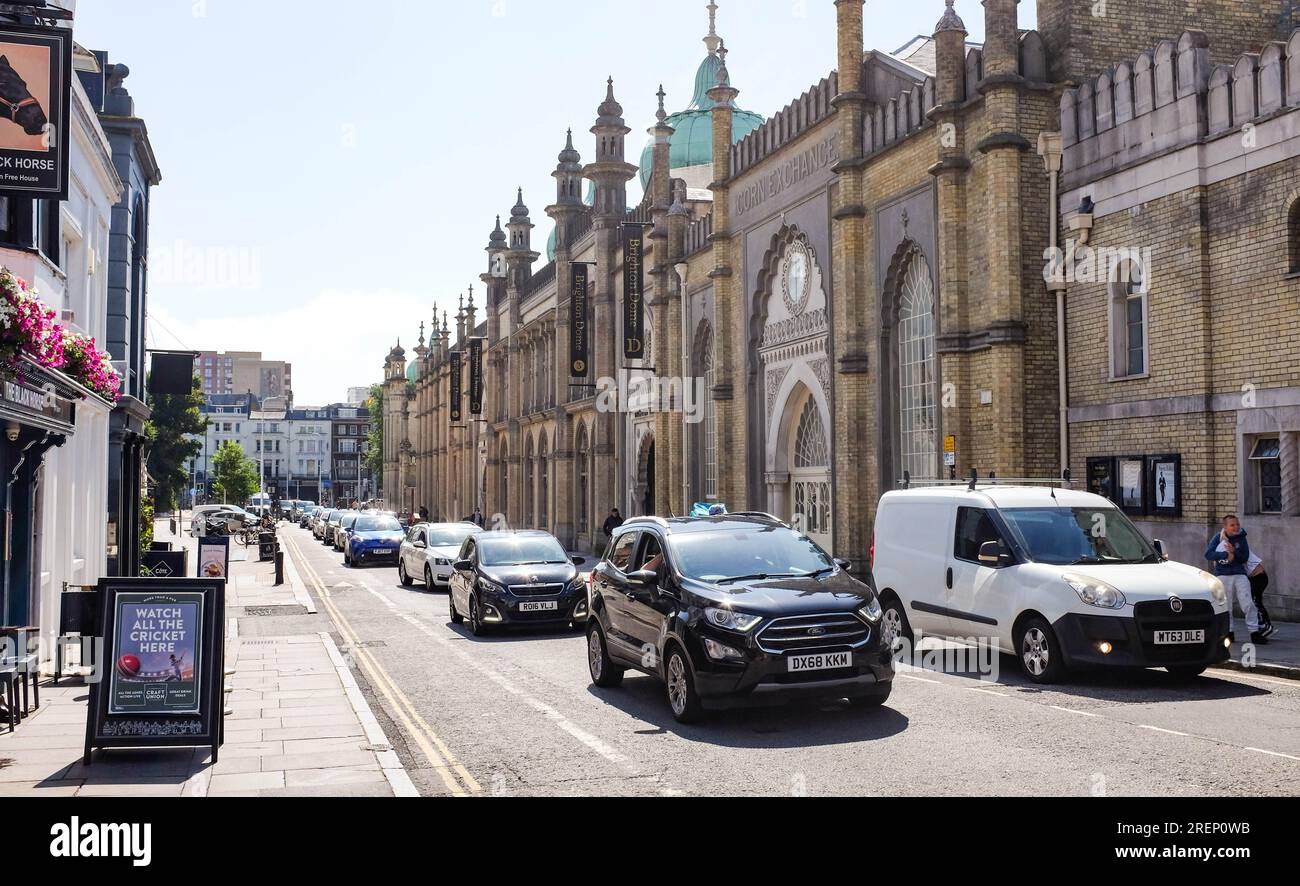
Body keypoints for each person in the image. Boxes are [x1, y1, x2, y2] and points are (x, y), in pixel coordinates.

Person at [1206, 515, 1265, 645]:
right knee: (1227, 606)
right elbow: (1208, 554)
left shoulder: (1241, 538)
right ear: (1225, 527)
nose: (1236, 527)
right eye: (1232, 525)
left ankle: (1254, 631)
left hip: (1239, 574)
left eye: (1237, 524)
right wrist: (1226, 554)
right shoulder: (1218, 538)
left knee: (1247, 603)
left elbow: (1244, 557)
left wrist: (1234, 552)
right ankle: (1229, 632)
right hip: (1222, 574)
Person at [1247, 550, 1276, 640]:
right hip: (1254, 578)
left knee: (1256, 601)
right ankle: (1264, 624)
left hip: (1259, 577)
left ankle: (1266, 625)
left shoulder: (1240, 547)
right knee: (1254, 601)